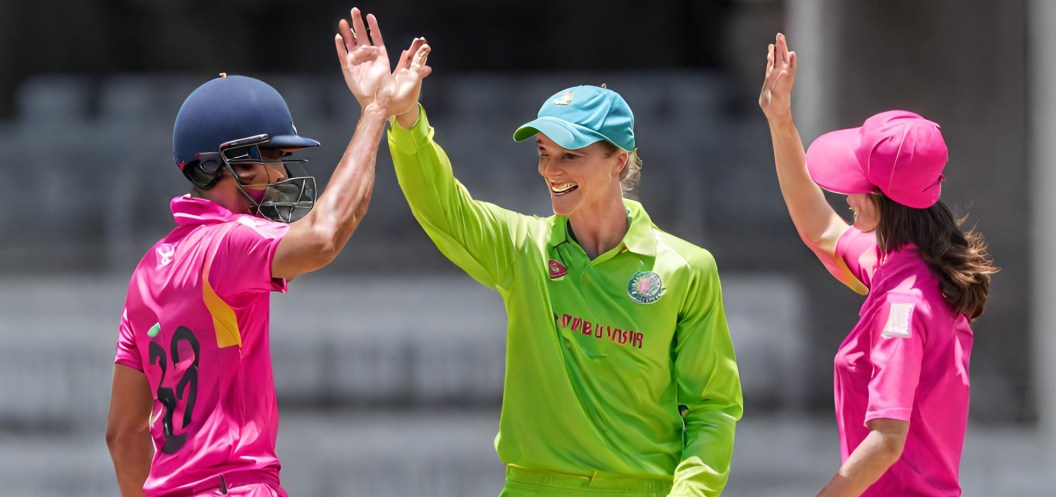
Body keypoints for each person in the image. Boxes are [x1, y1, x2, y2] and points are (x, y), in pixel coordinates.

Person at [375, 39, 743, 495]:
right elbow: (443, 207)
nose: (552, 169)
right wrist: (407, 120)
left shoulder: (687, 268)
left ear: (618, 161)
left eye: (570, 155)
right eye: (544, 153)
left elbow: (711, 406)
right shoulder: (522, 246)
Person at [104, 9, 429, 496]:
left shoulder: (148, 271)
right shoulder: (229, 241)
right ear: (225, 162)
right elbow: (324, 235)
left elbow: (124, 436)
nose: (282, 176)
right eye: (272, 159)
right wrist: (376, 111)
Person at [758, 33, 999, 497]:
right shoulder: (908, 266)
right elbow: (819, 229)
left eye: (854, 183)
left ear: (881, 201)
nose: (845, 194)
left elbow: (887, 441)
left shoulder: (902, 306)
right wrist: (781, 121)